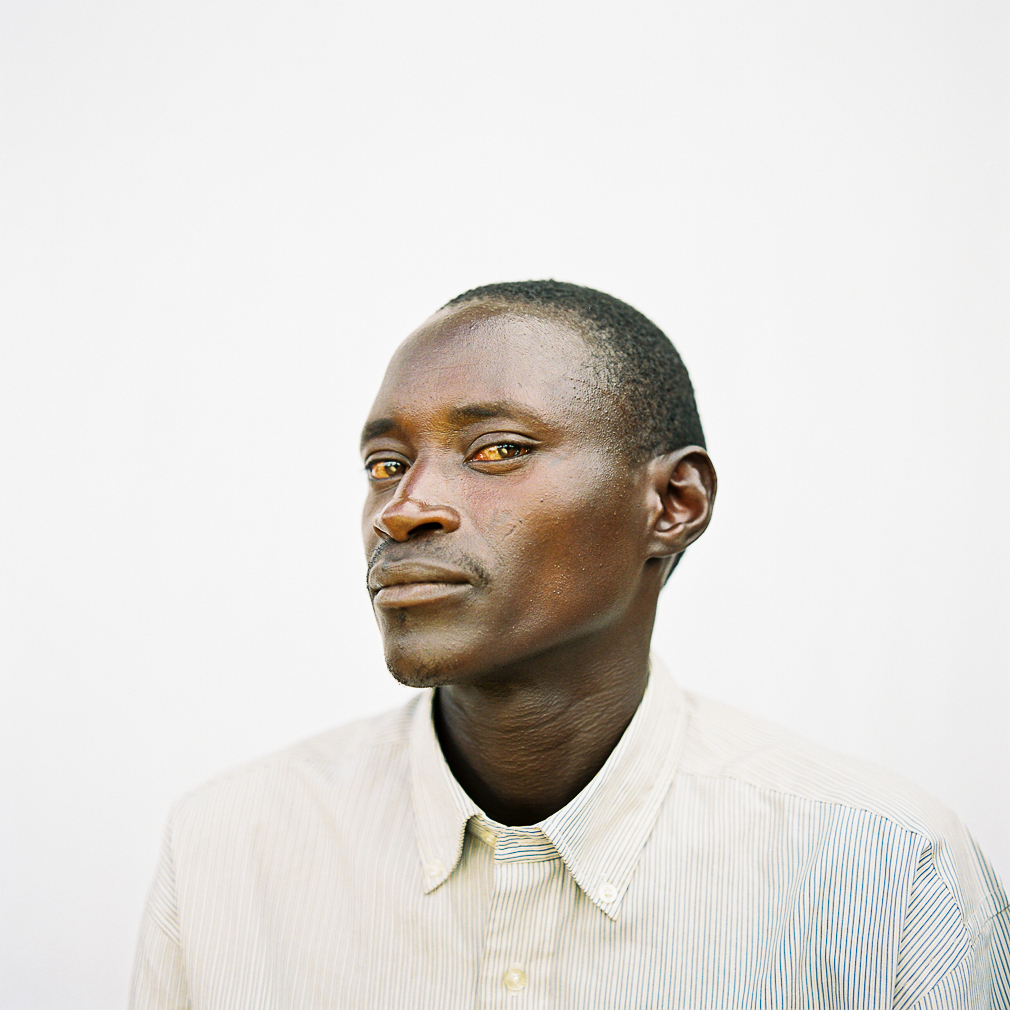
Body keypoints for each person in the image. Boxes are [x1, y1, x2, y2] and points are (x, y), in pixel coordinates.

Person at [130, 280, 1009, 1009]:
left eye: (498, 450)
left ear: (673, 504)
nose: (402, 509)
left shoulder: (887, 873)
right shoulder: (227, 851)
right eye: (386, 465)